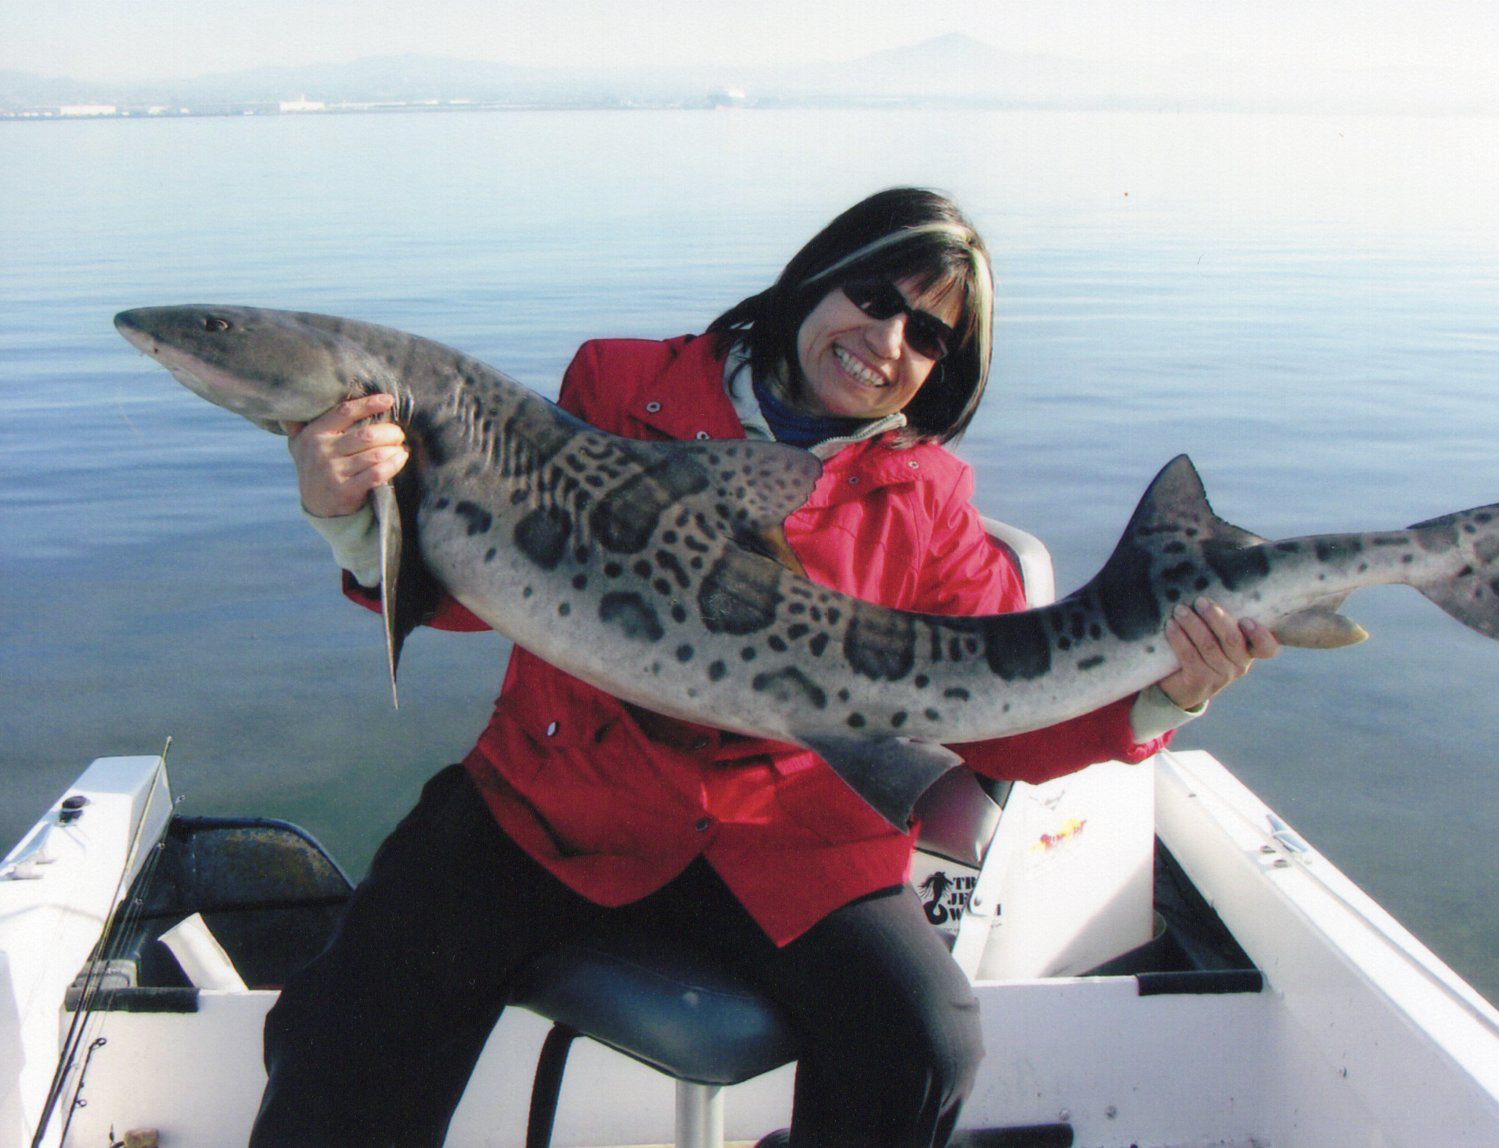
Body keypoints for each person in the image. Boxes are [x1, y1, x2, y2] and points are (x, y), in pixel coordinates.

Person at [251, 188, 1279, 1147]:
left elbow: (1002, 717)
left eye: (928, 334)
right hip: (553, 795)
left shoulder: (928, 502)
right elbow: (490, 584)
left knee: (925, 1042)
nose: (886, 342)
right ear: (815, 276)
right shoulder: (618, 385)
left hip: (782, 829)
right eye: (873, 297)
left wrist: (1167, 686)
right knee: (353, 1016)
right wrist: (352, 516)